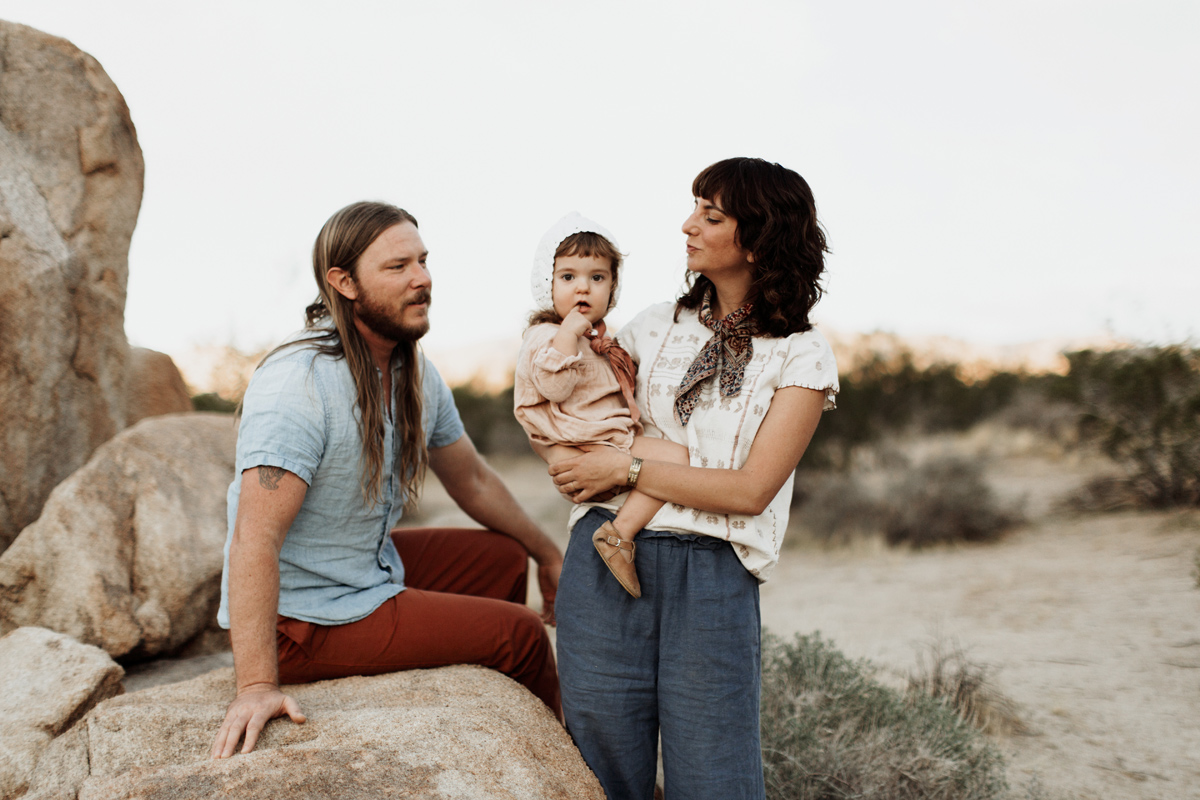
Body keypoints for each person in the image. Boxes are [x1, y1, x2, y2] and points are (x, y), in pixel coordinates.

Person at [209, 201, 564, 760]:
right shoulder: (297, 384)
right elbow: (254, 538)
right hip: (304, 617)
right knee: (519, 634)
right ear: (344, 282)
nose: (422, 279)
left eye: (422, 261)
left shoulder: (412, 369)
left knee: (502, 557)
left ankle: (482, 731)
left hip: (361, 567)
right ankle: (578, 770)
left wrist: (548, 553)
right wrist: (256, 686)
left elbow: (470, 478)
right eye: (398, 267)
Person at [548, 158, 839, 799]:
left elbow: (749, 490)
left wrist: (625, 467)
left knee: (715, 776)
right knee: (597, 769)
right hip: (602, 557)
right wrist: (587, 458)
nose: (688, 226)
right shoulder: (651, 326)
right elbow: (580, 418)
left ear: (759, 237)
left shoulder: (801, 353)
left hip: (713, 576)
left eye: (711, 216)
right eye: (694, 209)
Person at [514, 213, 689, 598]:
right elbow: (555, 387)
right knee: (678, 461)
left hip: (603, 439)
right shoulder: (547, 336)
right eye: (568, 277)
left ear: (613, 287)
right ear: (548, 281)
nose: (583, 288)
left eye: (597, 278)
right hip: (589, 441)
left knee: (674, 461)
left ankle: (621, 531)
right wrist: (567, 337)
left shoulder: (597, 340)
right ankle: (619, 534)